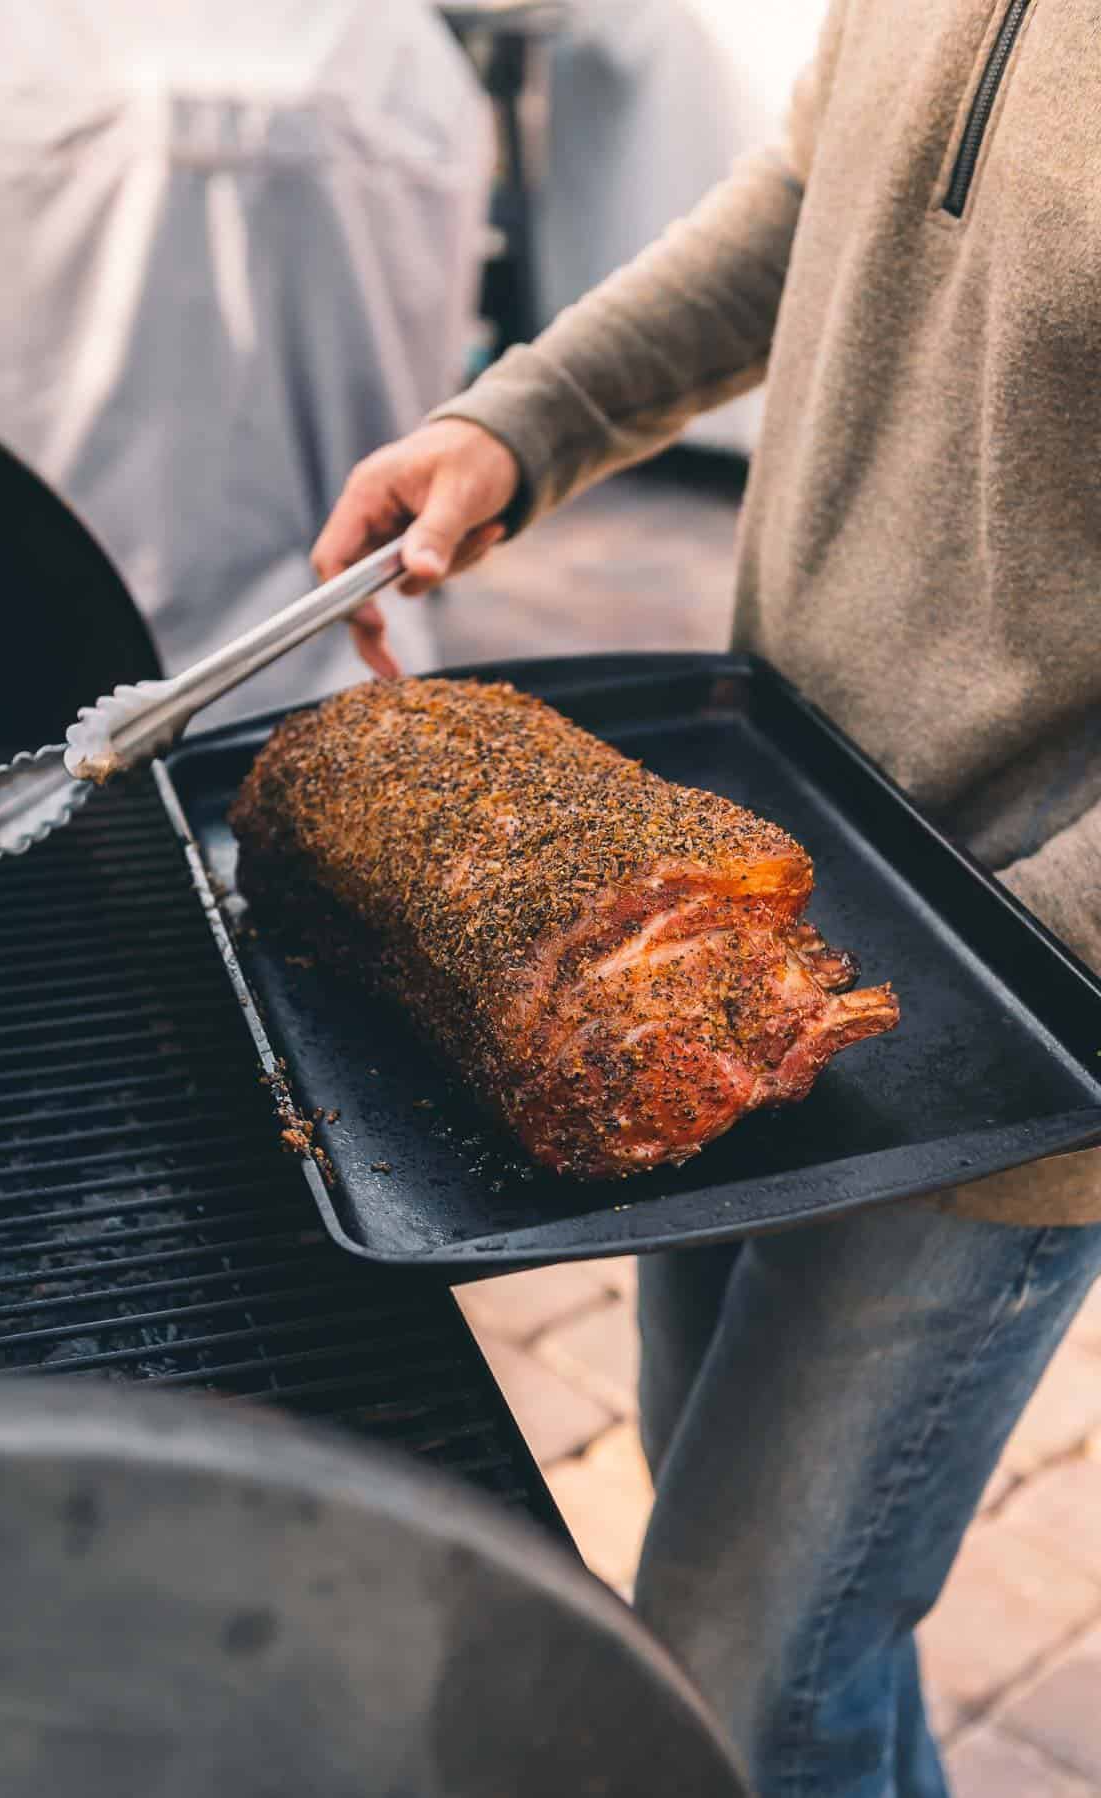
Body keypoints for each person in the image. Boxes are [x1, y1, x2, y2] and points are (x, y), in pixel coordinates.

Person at [312, 2, 1101, 1792]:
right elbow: (818, 193)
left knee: (741, 1663)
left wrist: (1036, 965)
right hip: (754, 891)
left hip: (1022, 1034)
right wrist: (529, 417)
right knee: (738, 1547)